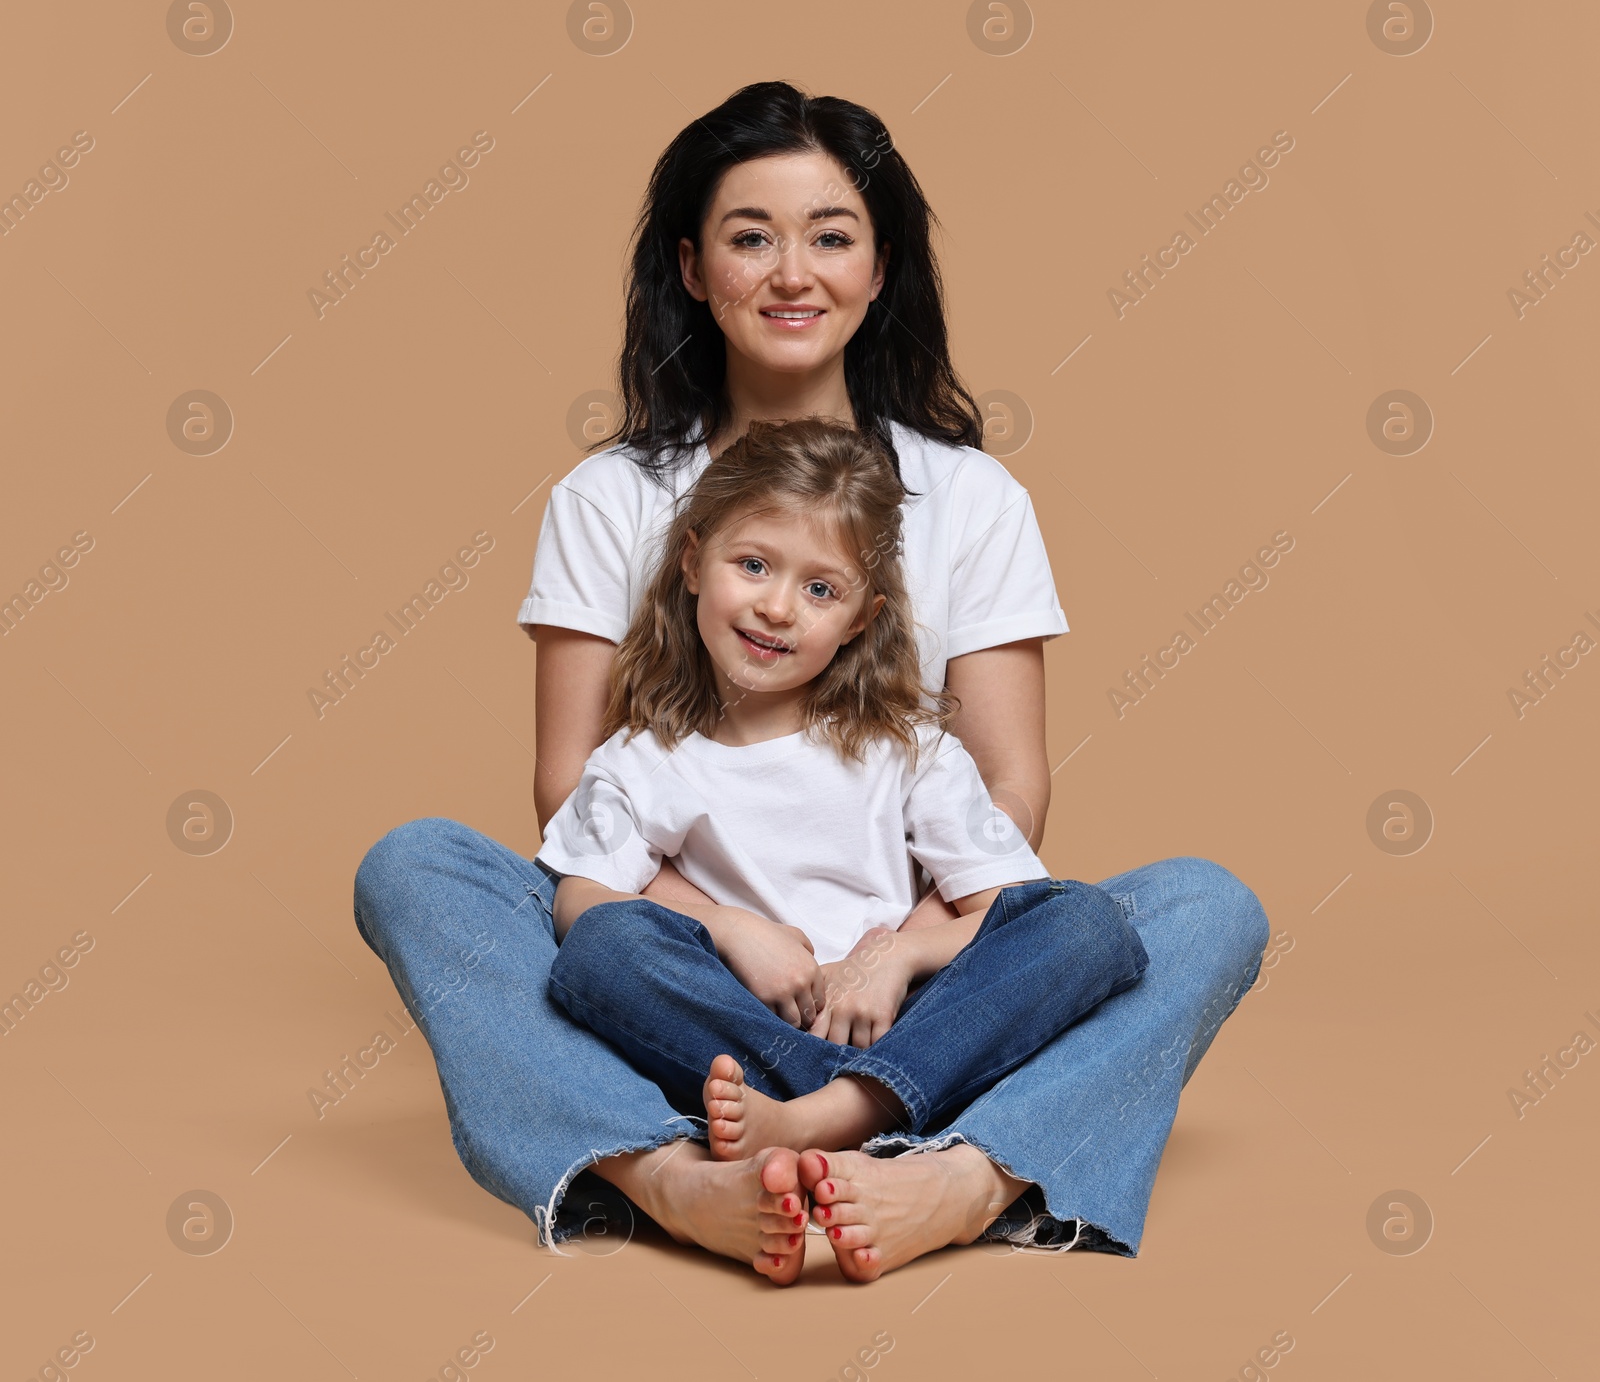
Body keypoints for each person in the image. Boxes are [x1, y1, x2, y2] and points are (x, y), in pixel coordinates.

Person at [353, 79, 1270, 1286]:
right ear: (690, 267)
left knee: (1198, 908)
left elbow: (1006, 793)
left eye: (831, 237)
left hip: (910, 954)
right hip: (693, 960)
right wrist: (734, 934)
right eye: (750, 237)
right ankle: (675, 1175)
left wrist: (887, 954)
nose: (792, 272)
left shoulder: (970, 499)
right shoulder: (610, 499)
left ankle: (931, 1171)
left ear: (881, 269)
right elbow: (570, 797)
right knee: (419, 869)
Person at [539, 418, 1151, 1205]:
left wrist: (897, 958)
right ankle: (877, 1118)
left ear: (862, 617)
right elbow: (580, 901)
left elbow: (1007, 914)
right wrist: (729, 930)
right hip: (742, 1023)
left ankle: (821, 1119)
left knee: (1085, 922)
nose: (778, 608)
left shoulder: (910, 751)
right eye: (753, 565)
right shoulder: (641, 759)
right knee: (603, 949)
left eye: (820, 589)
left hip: (909, 1021)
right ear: (693, 562)